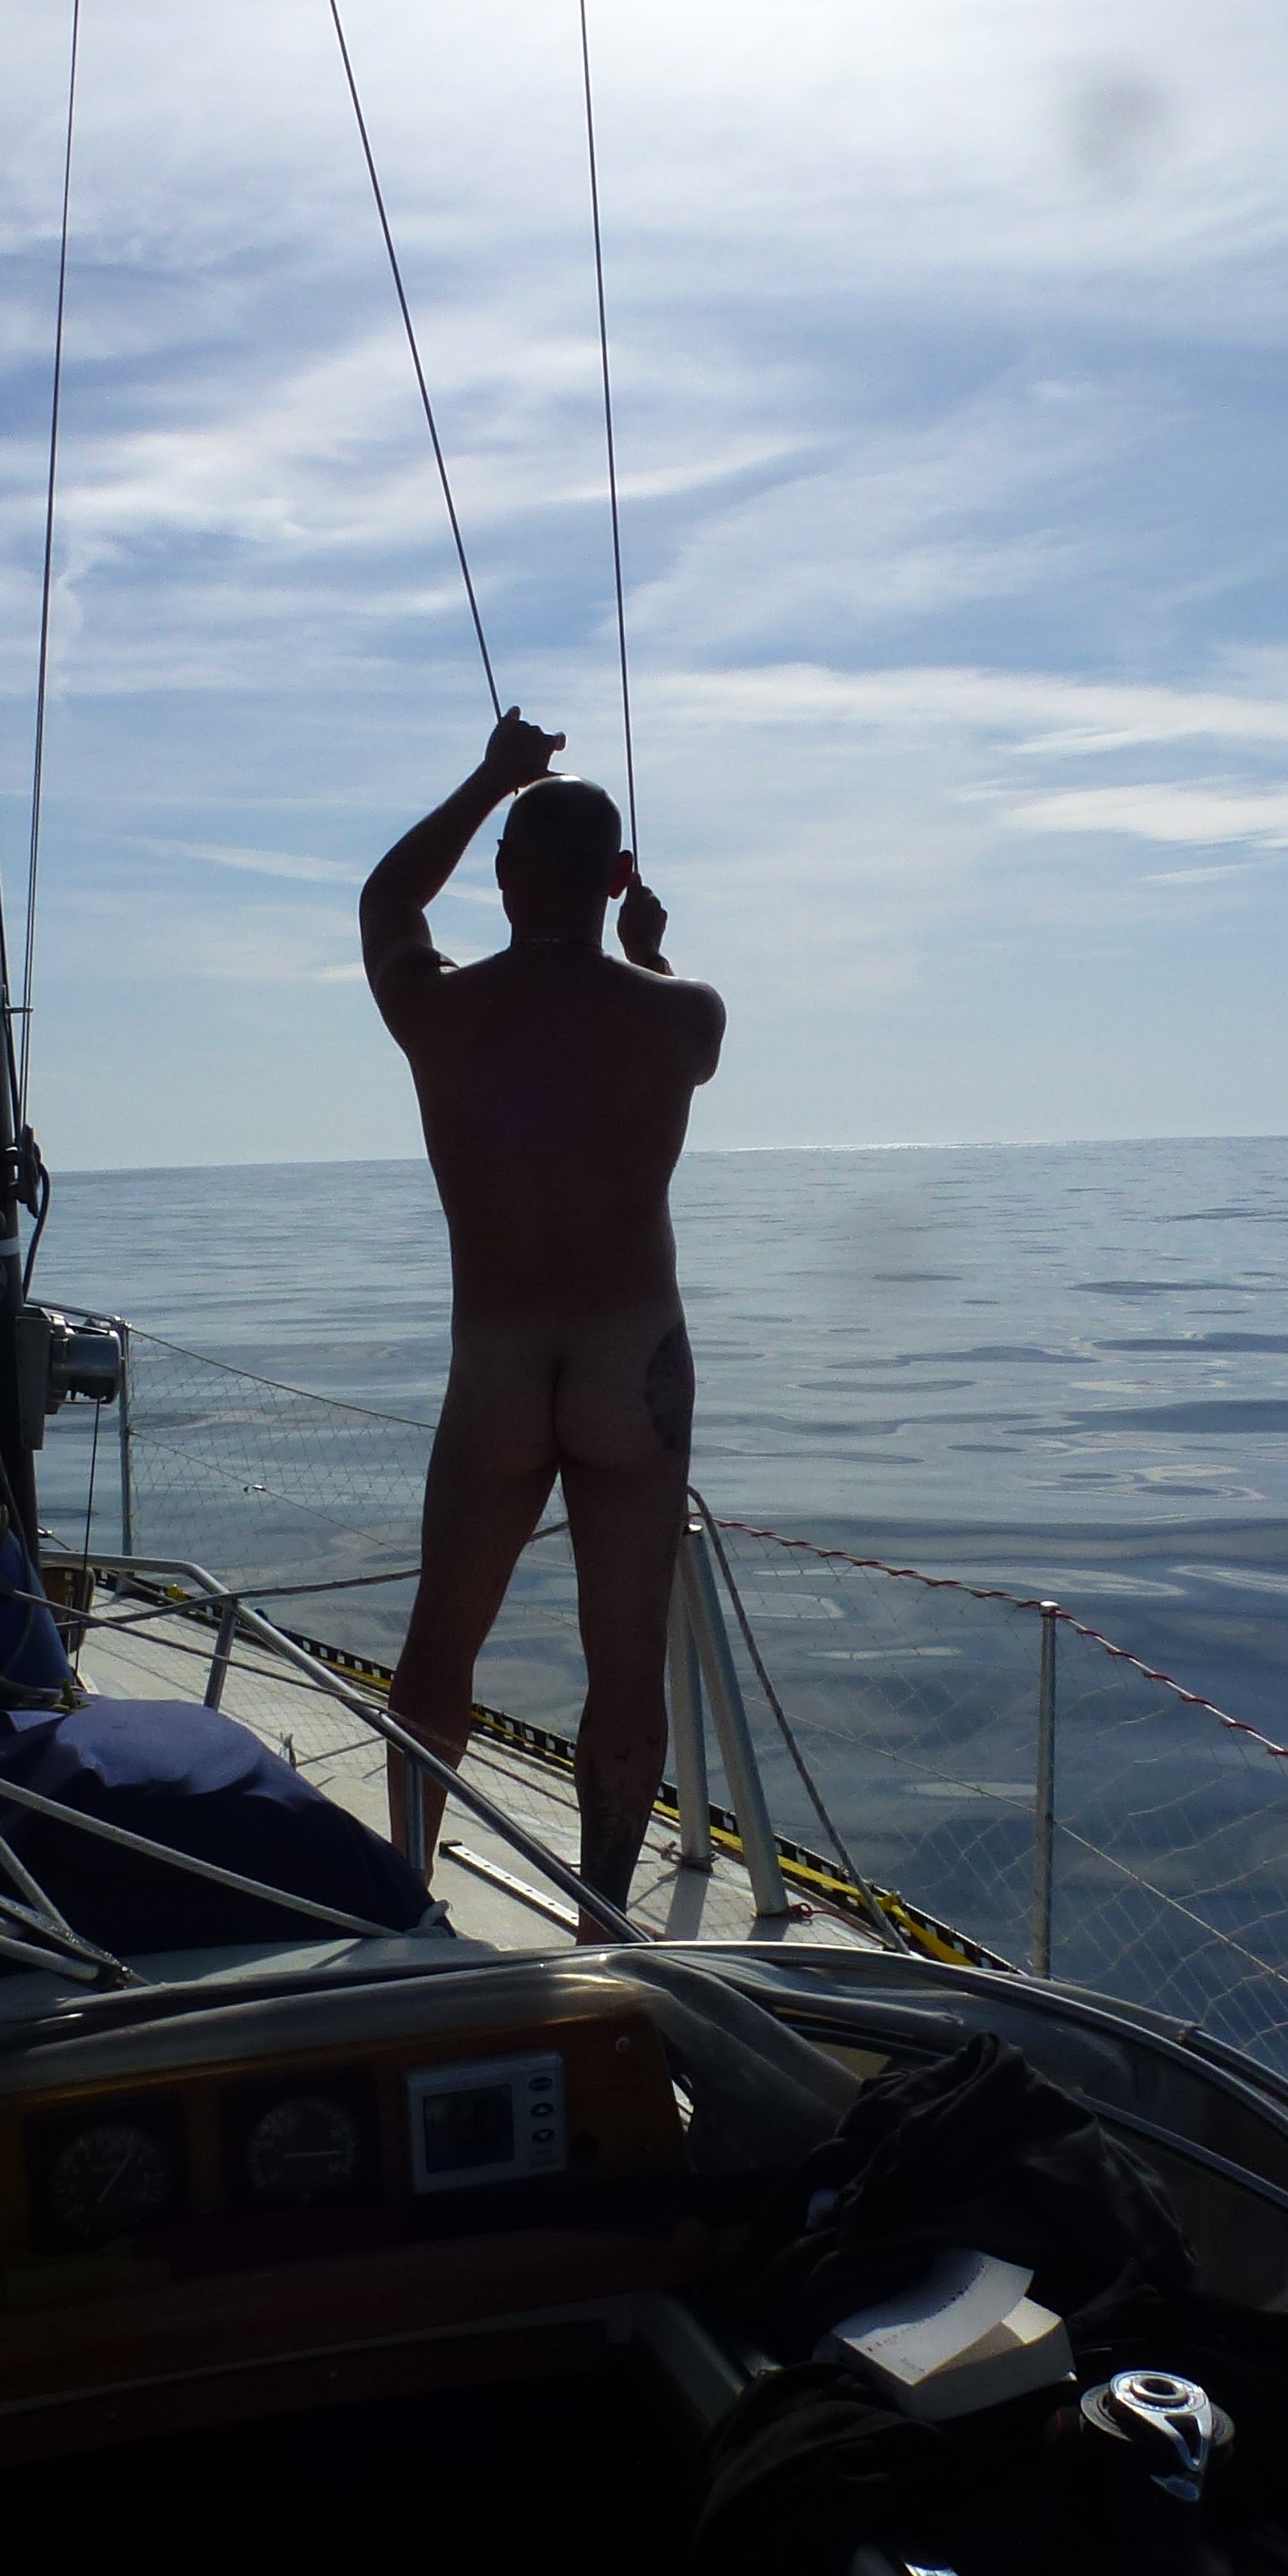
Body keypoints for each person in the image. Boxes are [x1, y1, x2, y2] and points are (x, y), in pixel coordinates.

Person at [360, 707, 724, 1922]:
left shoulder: (440, 1013)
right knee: (625, 1670)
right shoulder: (684, 1015)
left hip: (500, 1369)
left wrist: (490, 777)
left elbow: (388, 901)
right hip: (635, 1369)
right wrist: (650, 947)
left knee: (439, 1650)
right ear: (618, 879)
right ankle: (604, 1916)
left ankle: (406, 1898)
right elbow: (673, 1018)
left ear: (504, 878)